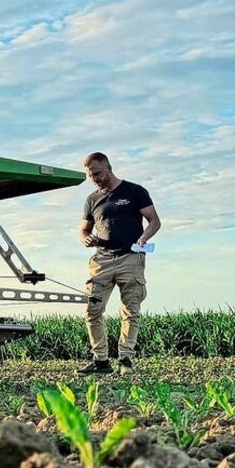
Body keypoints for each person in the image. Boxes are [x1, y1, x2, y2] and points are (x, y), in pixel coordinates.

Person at [78, 152, 161, 374]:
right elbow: (84, 229)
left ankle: (125, 359)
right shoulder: (92, 200)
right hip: (101, 260)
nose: (94, 178)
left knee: (130, 310)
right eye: (90, 175)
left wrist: (144, 238)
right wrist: (86, 237)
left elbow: (154, 221)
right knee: (92, 310)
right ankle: (101, 360)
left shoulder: (135, 192)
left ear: (108, 168)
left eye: (96, 173)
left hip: (130, 258)